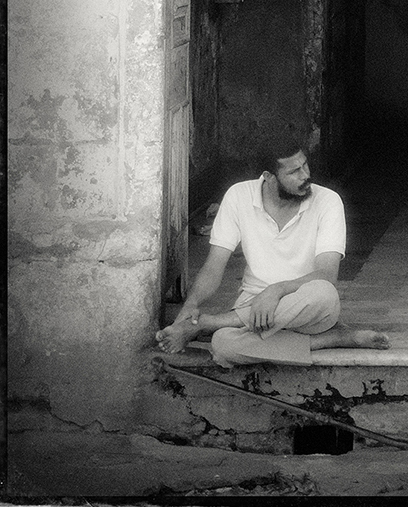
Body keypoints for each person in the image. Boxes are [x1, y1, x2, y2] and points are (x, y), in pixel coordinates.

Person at [155, 134, 389, 366]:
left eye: (304, 165)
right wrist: (190, 306)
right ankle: (332, 338)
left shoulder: (328, 201)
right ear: (268, 177)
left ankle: (210, 323)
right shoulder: (239, 196)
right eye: (293, 172)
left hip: (306, 306)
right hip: (253, 307)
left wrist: (276, 291)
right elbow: (214, 266)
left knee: (324, 293)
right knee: (223, 344)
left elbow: (327, 275)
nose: (305, 176)